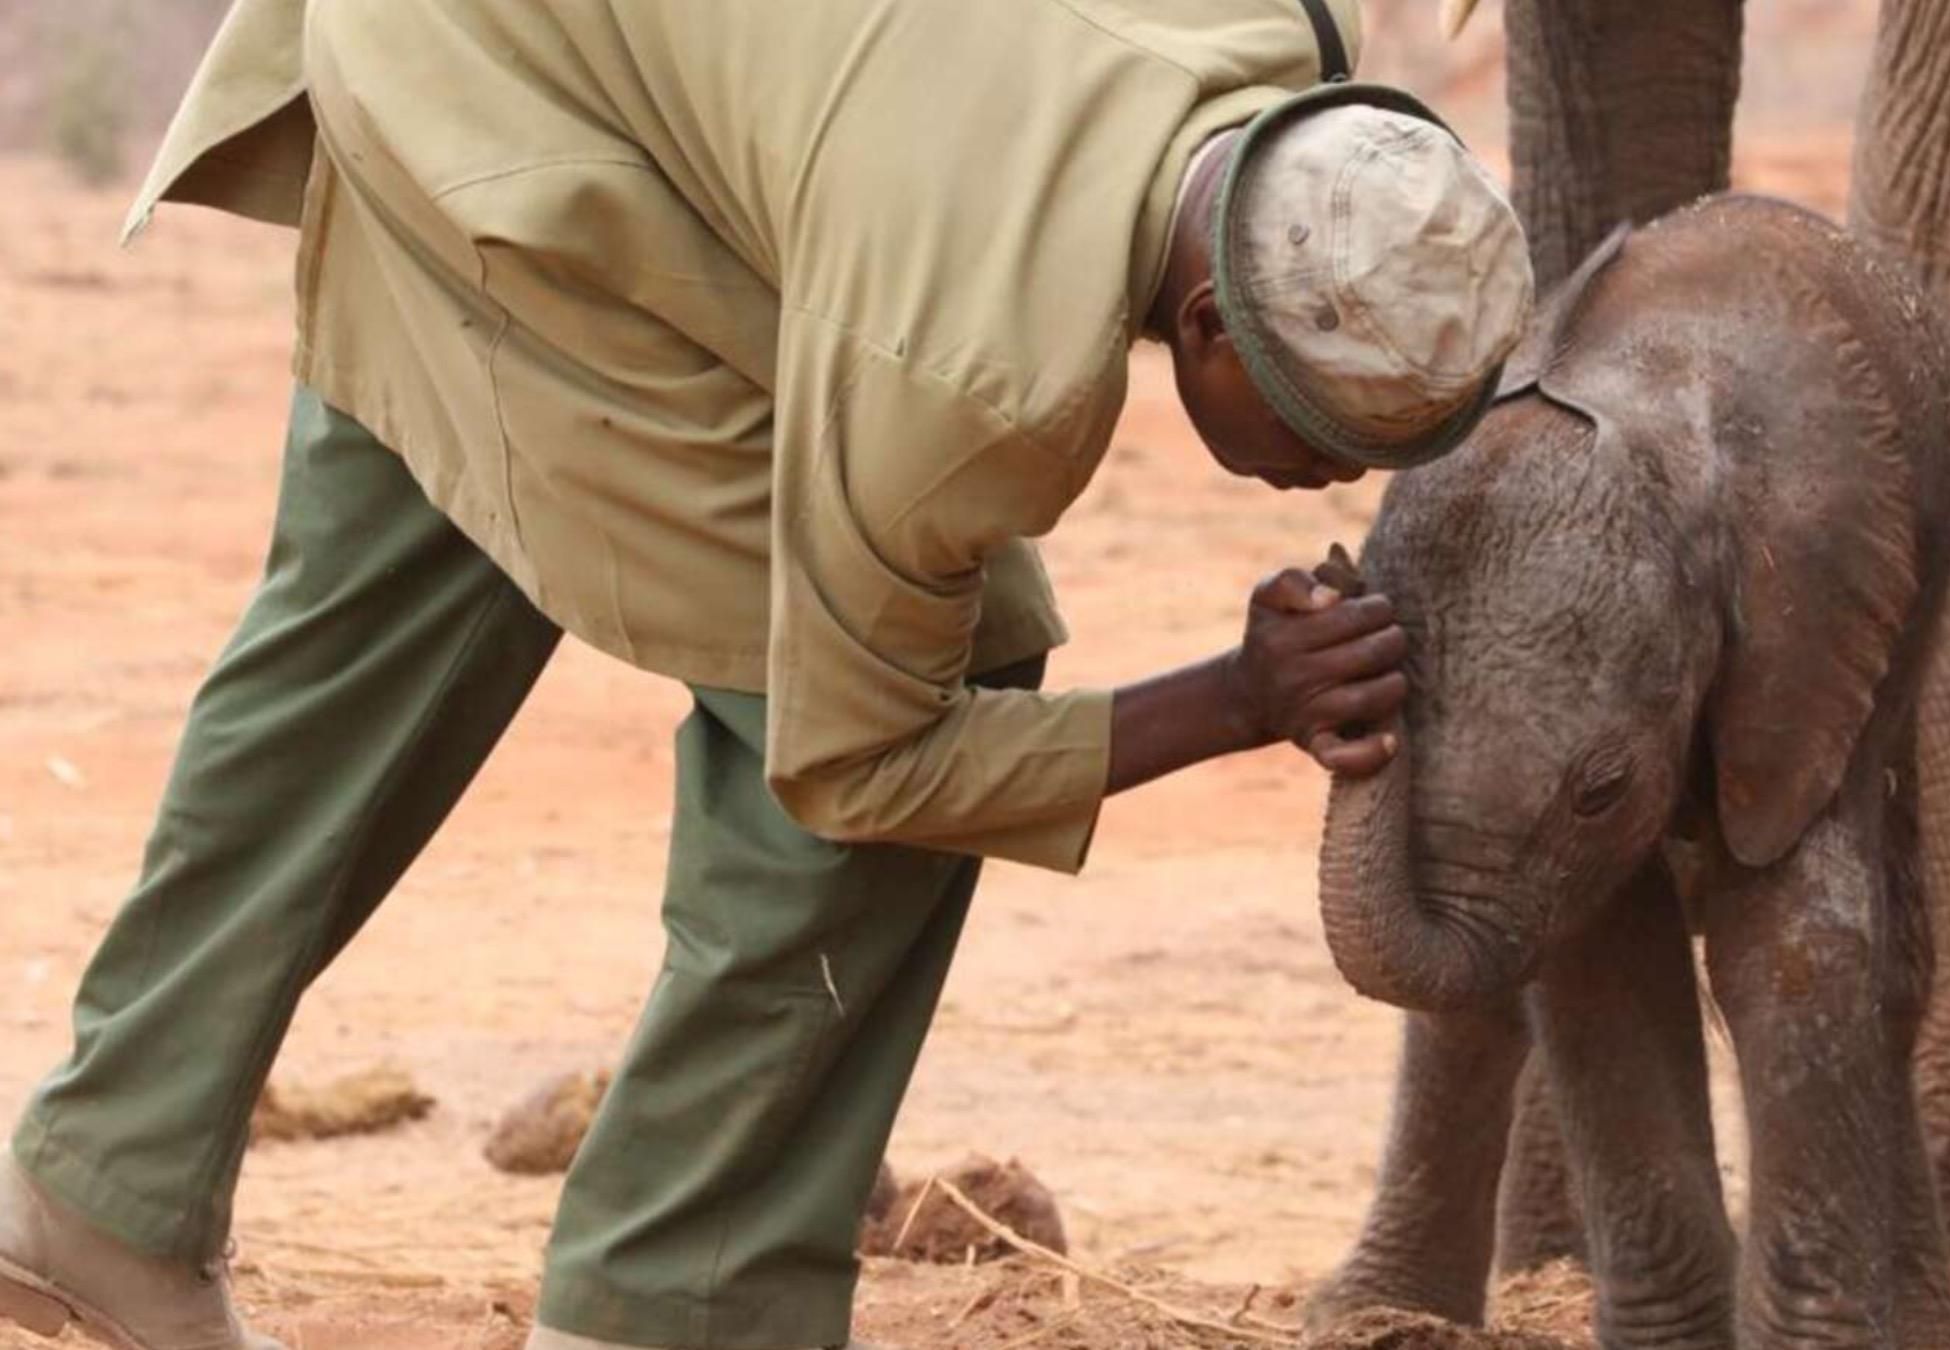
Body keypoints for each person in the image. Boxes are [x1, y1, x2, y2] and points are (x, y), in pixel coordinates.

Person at [0, 1, 1535, 1347]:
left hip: (497, 59)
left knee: (385, 602)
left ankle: (105, 1182)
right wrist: (1232, 700)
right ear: (1207, 323)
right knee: (933, 684)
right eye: (1325, 435)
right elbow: (860, 761)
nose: (1328, 481)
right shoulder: (973, 379)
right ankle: (676, 1301)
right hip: (520, 139)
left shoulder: (1281, 31)